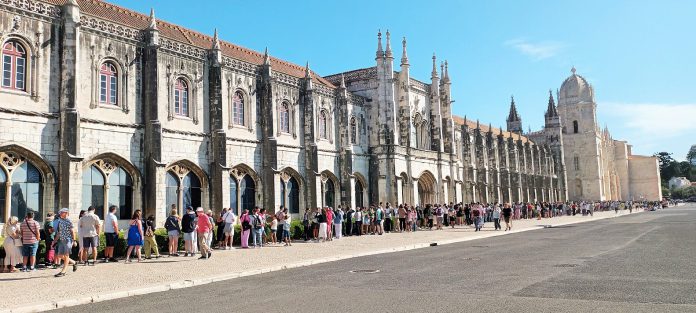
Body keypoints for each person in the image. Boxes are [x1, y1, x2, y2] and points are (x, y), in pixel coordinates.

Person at [52, 208, 78, 277]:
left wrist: (74, 240)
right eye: (60, 212)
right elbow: (59, 232)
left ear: (66, 213)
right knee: (60, 255)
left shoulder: (69, 221)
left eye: (62, 212)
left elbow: (73, 231)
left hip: (67, 240)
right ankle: (74, 262)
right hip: (61, 240)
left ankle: (63, 271)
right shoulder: (60, 221)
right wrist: (54, 241)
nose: (60, 213)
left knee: (66, 256)